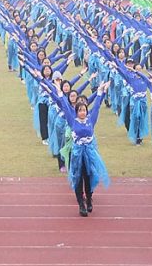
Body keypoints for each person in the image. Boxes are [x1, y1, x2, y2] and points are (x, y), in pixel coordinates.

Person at [40, 77, 112, 216]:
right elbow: (64, 105)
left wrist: (101, 90)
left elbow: (97, 104)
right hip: (77, 153)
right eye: (80, 110)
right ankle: (81, 204)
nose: (82, 112)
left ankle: (89, 198)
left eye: (84, 110)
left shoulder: (91, 119)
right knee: (78, 177)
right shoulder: (72, 120)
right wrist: (59, 90)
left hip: (90, 153)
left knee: (89, 176)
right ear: (76, 112)